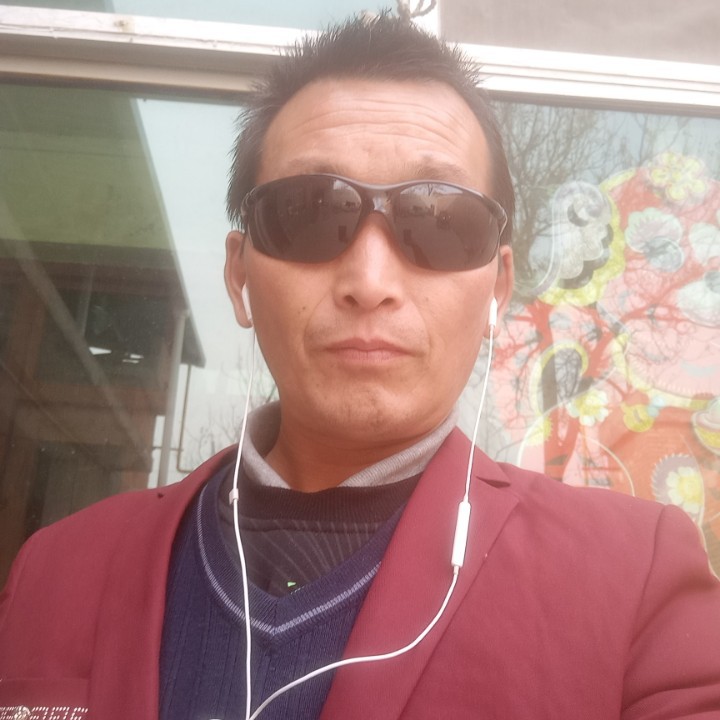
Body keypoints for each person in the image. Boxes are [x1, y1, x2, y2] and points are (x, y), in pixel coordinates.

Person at [1, 13, 719, 720]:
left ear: (498, 289)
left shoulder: (632, 579)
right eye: (311, 212)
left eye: (439, 221)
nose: (369, 281)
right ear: (239, 276)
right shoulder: (57, 571)